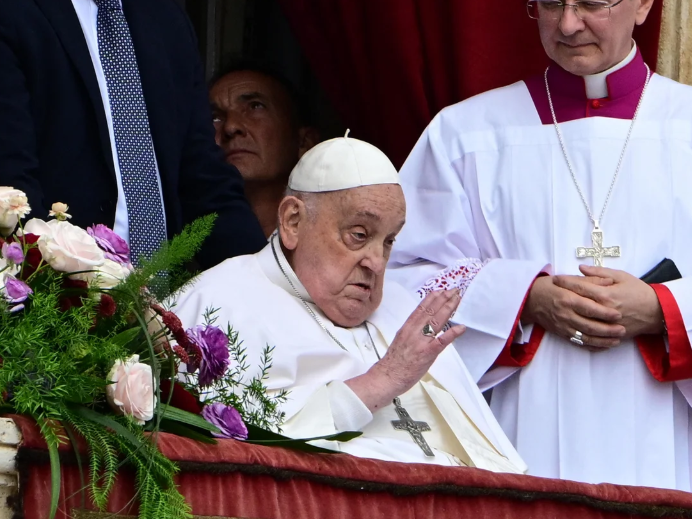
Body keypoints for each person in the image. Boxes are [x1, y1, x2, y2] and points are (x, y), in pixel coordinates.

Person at [388, 0, 692, 501]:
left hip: (669, 442)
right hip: (519, 434)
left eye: (591, 3)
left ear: (641, 5)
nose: (568, 24)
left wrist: (660, 310)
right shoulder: (463, 135)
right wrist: (525, 297)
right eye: (551, 4)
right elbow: (404, 276)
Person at [173, 135, 526, 473]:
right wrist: (381, 381)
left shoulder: (401, 308)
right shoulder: (220, 301)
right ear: (293, 221)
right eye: (359, 234)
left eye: (388, 241)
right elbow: (237, 449)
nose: (376, 261)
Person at [0, 0, 265, 268]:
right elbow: (13, 185)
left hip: (165, 298)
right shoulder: (15, 11)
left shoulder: (165, 17)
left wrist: (263, 280)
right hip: (58, 291)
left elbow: (205, 181)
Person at [210, 65, 319, 238]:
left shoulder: (332, 249)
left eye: (255, 107)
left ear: (303, 142)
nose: (230, 127)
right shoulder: (181, 249)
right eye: (215, 117)